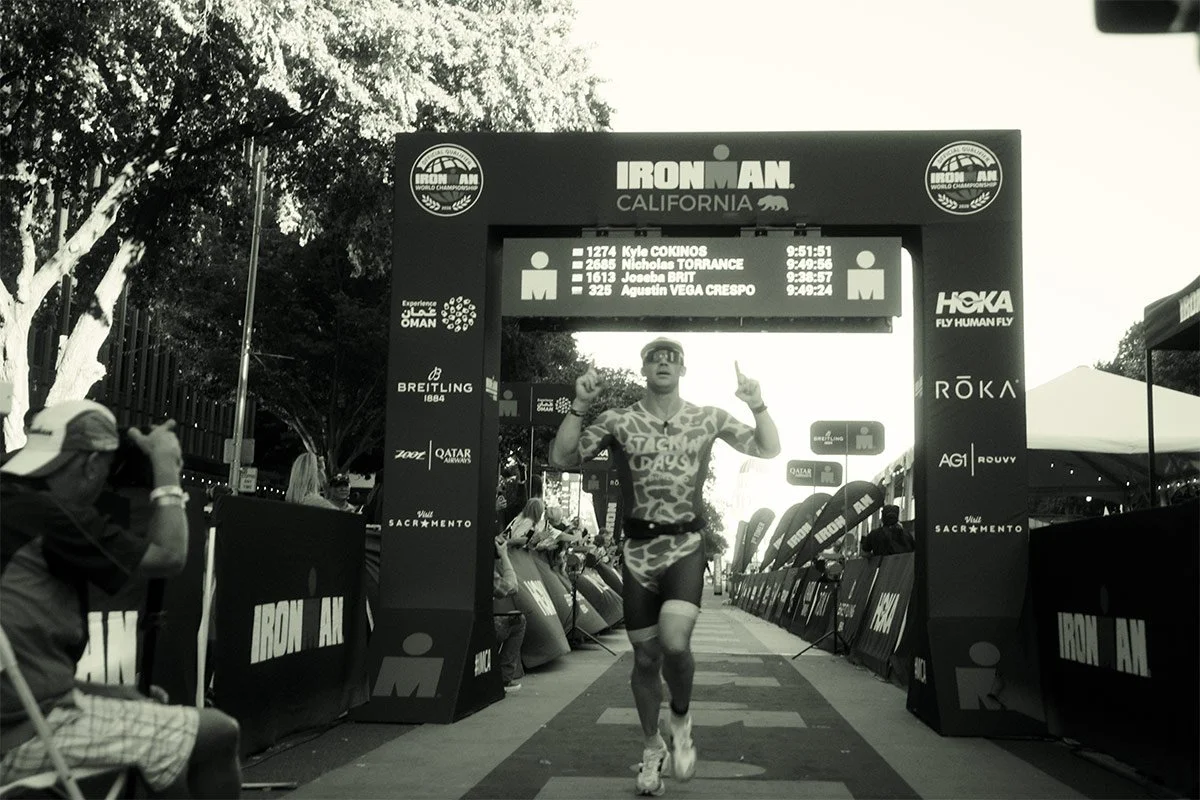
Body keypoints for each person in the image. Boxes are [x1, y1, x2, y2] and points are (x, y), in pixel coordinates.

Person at [549, 337, 780, 796]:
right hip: (637, 552)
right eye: (654, 359)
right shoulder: (619, 420)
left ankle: (680, 719)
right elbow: (562, 458)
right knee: (645, 658)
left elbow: (768, 449)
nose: (663, 364)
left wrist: (758, 405)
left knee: (675, 643)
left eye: (671, 359)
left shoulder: (706, 417)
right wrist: (579, 404)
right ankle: (652, 745)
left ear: (682, 370)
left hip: (685, 546)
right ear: (643, 370)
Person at [0, 400, 242, 798]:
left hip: (26, 711)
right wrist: (165, 465)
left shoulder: (12, 502)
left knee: (153, 727)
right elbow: (170, 555)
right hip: (23, 735)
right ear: (91, 464)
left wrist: (112, 693)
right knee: (218, 732)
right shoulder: (53, 515)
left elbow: (26, 668)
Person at [492, 534, 526, 693]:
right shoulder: (480, 566)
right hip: (480, 626)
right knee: (518, 620)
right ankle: (504, 678)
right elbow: (511, 587)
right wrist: (504, 555)